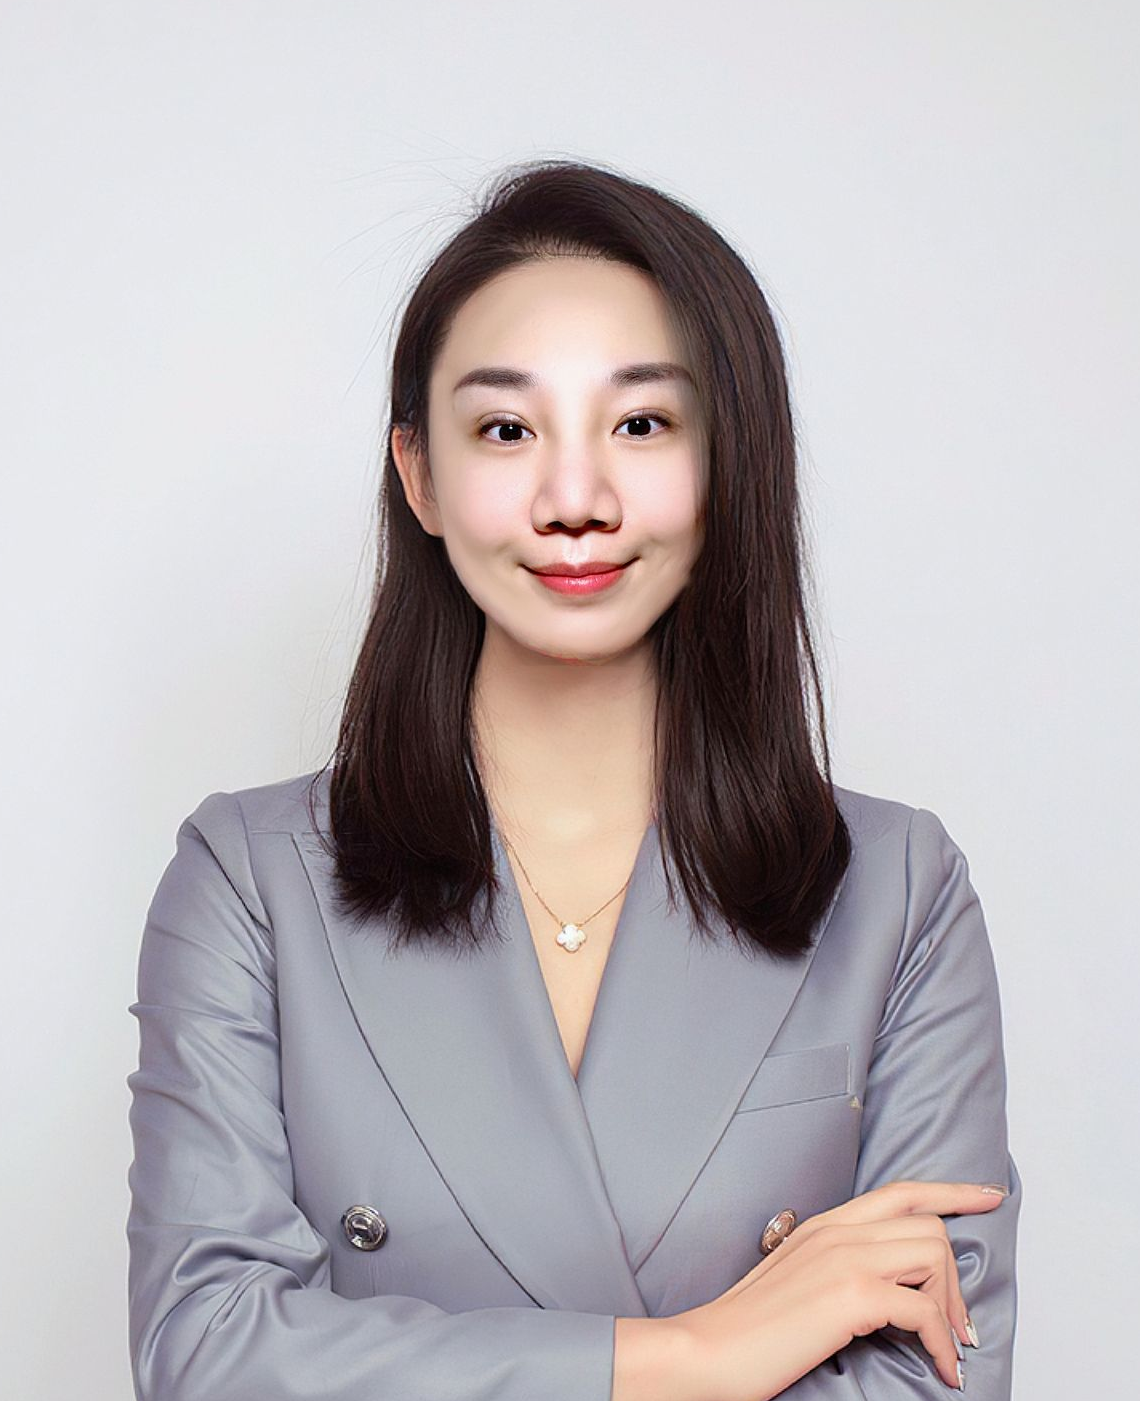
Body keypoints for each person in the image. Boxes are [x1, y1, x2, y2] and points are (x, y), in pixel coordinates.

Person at [126, 158, 1020, 1400]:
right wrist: (702, 1355)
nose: (575, 499)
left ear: (727, 468)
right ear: (420, 475)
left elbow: (929, 1376)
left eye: (641, 424)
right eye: (506, 428)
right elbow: (208, 1356)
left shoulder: (899, 893)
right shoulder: (250, 882)